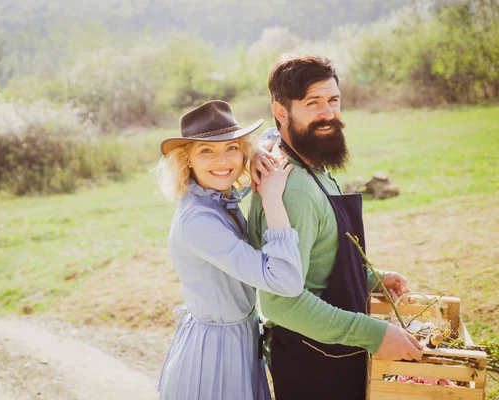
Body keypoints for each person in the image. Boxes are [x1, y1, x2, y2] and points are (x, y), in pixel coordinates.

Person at [248, 54, 424, 400]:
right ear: (281, 112)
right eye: (313, 103)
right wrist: (373, 334)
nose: (328, 114)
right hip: (311, 363)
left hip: (334, 352)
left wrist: (371, 277)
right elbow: (281, 303)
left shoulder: (315, 166)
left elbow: (319, 261)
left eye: (333, 100)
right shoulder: (292, 189)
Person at [156, 100, 305, 400]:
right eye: (206, 151)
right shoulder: (199, 221)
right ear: (188, 160)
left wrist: (257, 152)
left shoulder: (214, 196)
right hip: (215, 355)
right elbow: (285, 280)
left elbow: (271, 139)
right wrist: (273, 199)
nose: (222, 161)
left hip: (235, 342)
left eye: (231, 148)